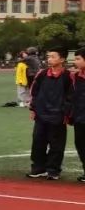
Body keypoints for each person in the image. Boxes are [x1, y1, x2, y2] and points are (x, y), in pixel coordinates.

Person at [27, 48, 72, 180]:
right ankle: (38, 168)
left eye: (53, 56)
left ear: (62, 59)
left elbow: (70, 96)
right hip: (41, 114)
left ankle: (53, 170)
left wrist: (65, 112)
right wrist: (33, 109)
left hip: (58, 116)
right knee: (38, 141)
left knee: (56, 144)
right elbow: (34, 92)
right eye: (48, 56)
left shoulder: (68, 76)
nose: (49, 59)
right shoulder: (42, 74)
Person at [70, 50, 85, 183]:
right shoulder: (75, 76)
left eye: (78, 59)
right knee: (80, 144)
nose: (75, 61)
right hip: (79, 117)